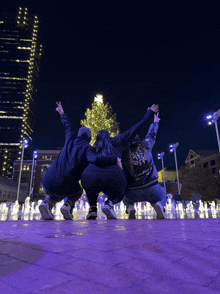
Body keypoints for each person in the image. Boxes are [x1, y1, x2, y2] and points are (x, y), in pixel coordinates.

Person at [39, 102, 116, 220]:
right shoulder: (88, 149)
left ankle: (47, 202)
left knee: (58, 190)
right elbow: (95, 159)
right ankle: (67, 206)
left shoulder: (70, 139)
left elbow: (67, 126)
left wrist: (62, 113)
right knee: (78, 191)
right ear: (90, 138)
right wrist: (114, 159)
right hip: (64, 184)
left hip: (46, 181)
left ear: (79, 135)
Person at [81, 104, 159, 220]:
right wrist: (149, 115)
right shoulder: (116, 141)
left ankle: (92, 208)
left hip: (91, 176)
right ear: (108, 136)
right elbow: (135, 128)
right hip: (112, 176)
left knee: (91, 188)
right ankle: (110, 203)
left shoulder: (92, 149)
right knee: (123, 187)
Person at [121, 112, 167, 219]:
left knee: (124, 196)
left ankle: (130, 207)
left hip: (131, 193)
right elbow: (151, 135)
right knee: (162, 195)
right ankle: (159, 205)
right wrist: (155, 123)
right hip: (152, 188)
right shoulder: (145, 145)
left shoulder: (124, 153)